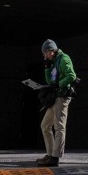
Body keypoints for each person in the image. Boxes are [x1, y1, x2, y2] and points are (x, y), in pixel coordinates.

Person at [35, 39, 76, 167]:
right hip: (54, 97)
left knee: (59, 126)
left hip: (62, 97)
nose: (44, 56)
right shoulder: (53, 62)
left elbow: (72, 75)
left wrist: (59, 84)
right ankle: (50, 154)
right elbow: (49, 80)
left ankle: (55, 157)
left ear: (51, 51)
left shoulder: (64, 59)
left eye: (45, 53)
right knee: (45, 125)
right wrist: (47, 67)